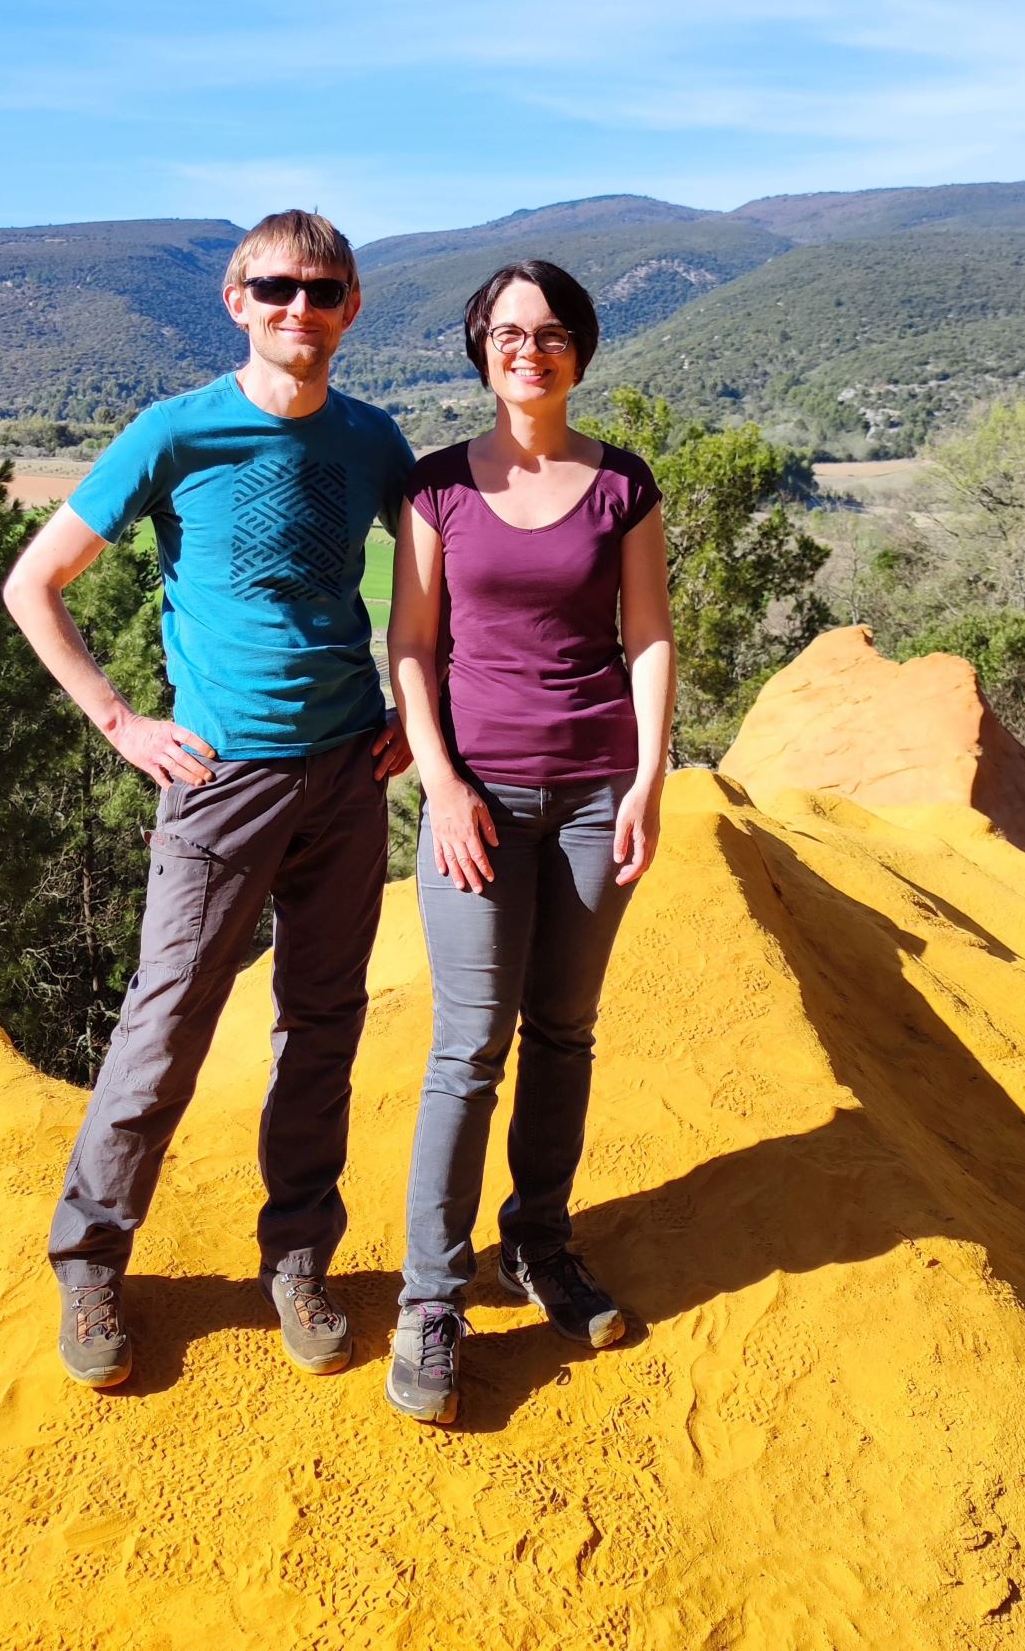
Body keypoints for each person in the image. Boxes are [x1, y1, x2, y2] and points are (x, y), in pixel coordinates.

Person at [1, 209, 414, 1392]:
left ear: (350, 309)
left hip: (346, 775)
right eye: (277, 288)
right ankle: (91, 1260)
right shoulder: (174, 433)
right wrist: (121, 722)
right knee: (165, 1025)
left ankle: (297, 1257)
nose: (301, 310)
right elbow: (36, 582)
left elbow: (442, 582)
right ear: (236, 300)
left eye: (324, 291)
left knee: (322, 1027)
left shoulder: (374, 443)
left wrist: (406, 708)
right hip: (219, 781)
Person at [382, 257, 675, 1426]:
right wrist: (443, 785)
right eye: (508, 332)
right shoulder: (437, 487)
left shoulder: (624, 487)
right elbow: (410, 643)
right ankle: (429, 1300)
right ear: (480, 350)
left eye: (551, 332)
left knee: (565, 1032)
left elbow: (646, 634)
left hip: (599, 790)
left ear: (580, 349)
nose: (530, 348)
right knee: (469, 1047)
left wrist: (651, 775)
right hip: (481, 797)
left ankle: (538, 1245)